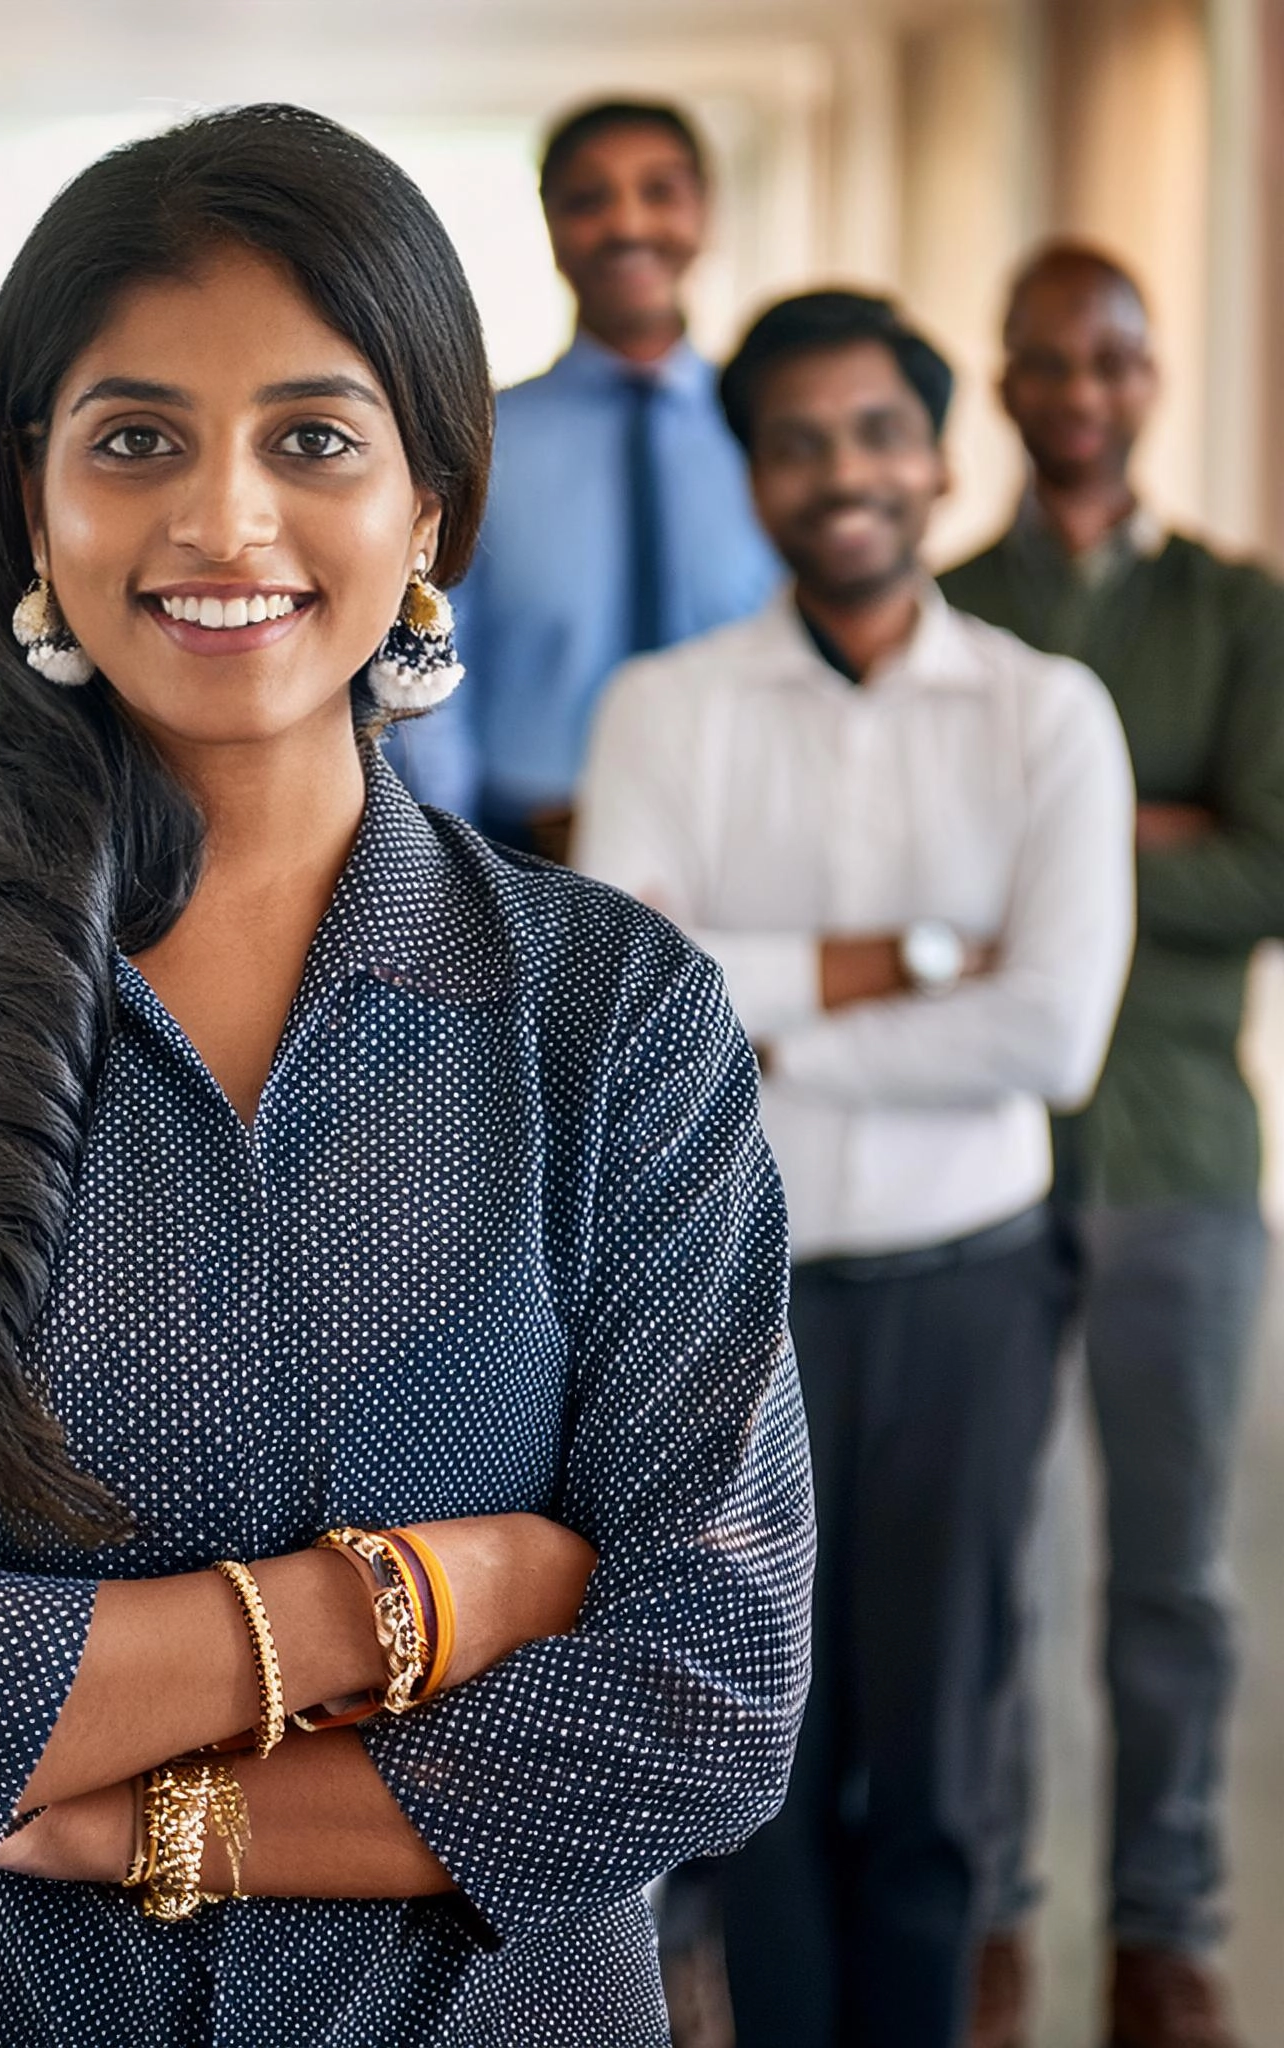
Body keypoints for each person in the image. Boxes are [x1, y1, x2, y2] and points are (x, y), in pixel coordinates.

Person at [0, 104, 813, 2048]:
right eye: (137, 436)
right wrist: (412, 1603)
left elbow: (701, 1700)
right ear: (35, 494)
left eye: (312, 440)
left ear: (430, 504)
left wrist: (103, 1799)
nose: (221, 519)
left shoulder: (616, 1020)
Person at [574, 291, 1134, 2048]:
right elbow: (632, 1002)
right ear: (751, 476)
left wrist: (766, 1015)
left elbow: (1047, 1035)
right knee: (755, 1756)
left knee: (939, 1757)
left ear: (934, 455)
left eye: (876, 431)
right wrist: (892, 959)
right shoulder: (661, 708)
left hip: (966, 1283)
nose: (844, 472)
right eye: (799, 440)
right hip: (733, 1309)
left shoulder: (1045, 714)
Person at [942, 242, 1284, 2048]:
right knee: (984, 1559)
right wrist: (1149, 827)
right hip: (980, 1163)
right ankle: (987, 1914)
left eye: (1111, 359)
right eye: (1044, 360)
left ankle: (1164, 1928)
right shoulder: (946, 607)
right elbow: (919, 884)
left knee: (1168, 1572)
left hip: (1175, 1160)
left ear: (1149, 381)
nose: (1077, 389)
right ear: (999, 382)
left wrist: (1073, 864)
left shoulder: (1239, 614)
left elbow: (1274, 861)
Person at [390, 98, 779, 858]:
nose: (628, 226)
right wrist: (444, 854)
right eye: (589, 200)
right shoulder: (479, 441)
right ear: (550, 224)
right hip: (527, 849)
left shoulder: (774, 433)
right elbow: (433, 662)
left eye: (660, 192)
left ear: (705, 213)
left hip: (747, 841)